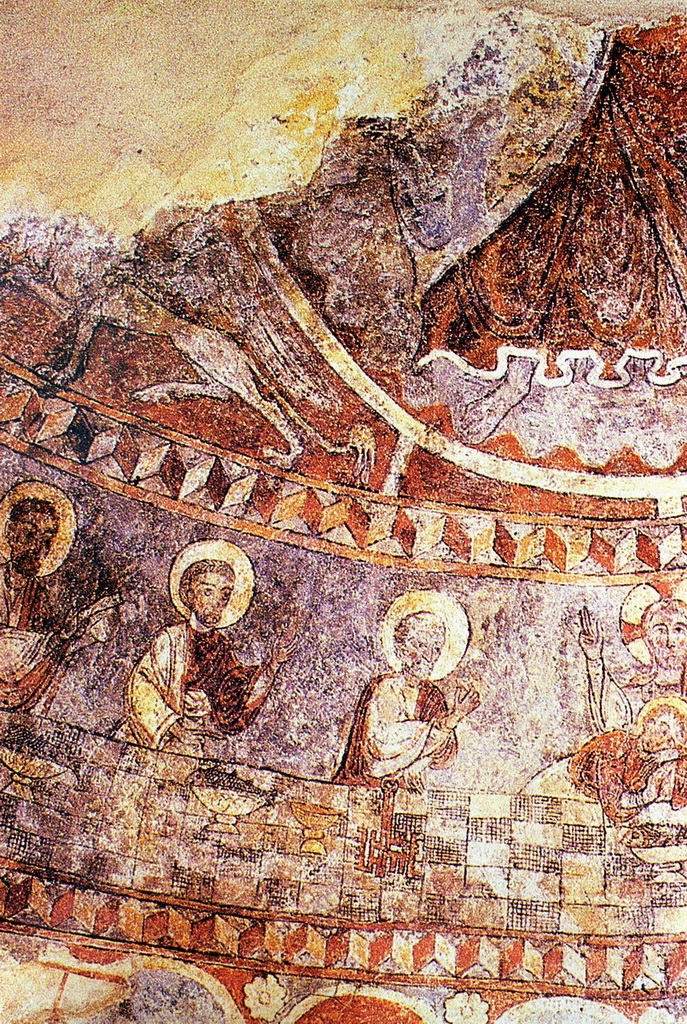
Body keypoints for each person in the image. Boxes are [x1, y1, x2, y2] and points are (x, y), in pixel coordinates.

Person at [125, 540, 296, 753]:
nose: (216, 602)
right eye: (208, 592)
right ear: (189, 594)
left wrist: (272, 666)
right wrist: (173, 726)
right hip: (158, 738)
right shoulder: (171, 639)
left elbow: (234, 697)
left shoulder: (222, 648)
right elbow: (142, 685)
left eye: (224, 595)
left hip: (196, 740)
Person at [335, 593, 480, 791]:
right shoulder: (385, 688)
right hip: (365, 788)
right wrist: (453, 717)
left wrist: (416, 767)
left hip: (407, 790)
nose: (427, 656)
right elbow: (381, 748)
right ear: (401, 648)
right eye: (420, 645)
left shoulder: (432, 697)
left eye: (436, 648)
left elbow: (443, 755)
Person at [0, 481, 117, 711]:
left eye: (46, 540)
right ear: (10, 532)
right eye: (29, 534)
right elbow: (11, 651)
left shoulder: (39, 597)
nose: (37, 548)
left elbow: (47, 655)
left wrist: (80, 632)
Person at [579, 592, 687, 732]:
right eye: (660, 630)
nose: (670, 641)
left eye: (678, 630)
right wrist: (594, 659)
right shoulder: (632, 695)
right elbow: (611, 725)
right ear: (648, 639)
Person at [569, 696, 687, 825]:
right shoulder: (616, 747)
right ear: (648, 722)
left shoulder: (652, 759)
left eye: (670, 742)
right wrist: (645, 797)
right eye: (663, 731)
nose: (662, 742)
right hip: (575, 797)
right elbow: (615, 809)